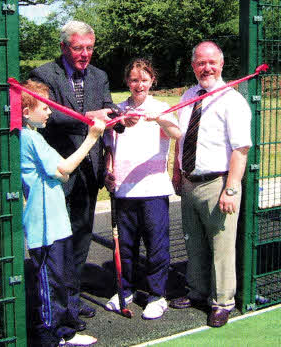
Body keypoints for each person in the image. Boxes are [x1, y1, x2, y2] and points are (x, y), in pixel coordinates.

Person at [29, 20, 116, 324]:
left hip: (89, 169)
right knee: (56, 242)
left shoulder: (100, 76)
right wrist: (87, 117)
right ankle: (55, 306)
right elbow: (47, 117)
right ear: (64, 47)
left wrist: (118, 117)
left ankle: (72, 300)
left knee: (80, 239)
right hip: (58, 171)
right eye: (78, 48)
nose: (85, 54)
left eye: (90, 48)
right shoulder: (43, 74)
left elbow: (105, 109)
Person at [169, 41, 252, 328]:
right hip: (190, 182)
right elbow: (180, 137)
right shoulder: (189, 95)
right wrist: (177, 172)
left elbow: (241, 150)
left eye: (211, 62)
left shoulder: (233, 101)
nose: (206, 68)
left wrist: (231, 188)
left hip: (218, 183)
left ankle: (222, 302)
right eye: (200, 63)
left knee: (221, 247)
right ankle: (197, 292)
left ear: (221, 64)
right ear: (193, 66)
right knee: (193, 244)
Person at [19, 80, 105, 346]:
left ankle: (65, 331)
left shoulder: (36, 136)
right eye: (44, 108)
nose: (49, 113)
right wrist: (92, 138)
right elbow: (64, 169)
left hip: (57, 223)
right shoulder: (28, 137)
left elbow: (59, 172)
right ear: (25, 112)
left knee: (63, 278)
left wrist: (61, 172)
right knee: (49, 284)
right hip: (43, 226)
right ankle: (49, 336)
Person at [102, 58, 180, 320]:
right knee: (125, 246)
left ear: (152, 81)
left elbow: (176, 134)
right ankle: (126, 291)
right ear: (127, 82)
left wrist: (159, 120)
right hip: (124, 190)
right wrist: (108, 171)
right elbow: (109, 146)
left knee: (156, 245)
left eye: (144, 79)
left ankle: (157, 296)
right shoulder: (117, 110)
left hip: (153, 189)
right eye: (134, 80)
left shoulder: (161, 108)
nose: (139, 85)